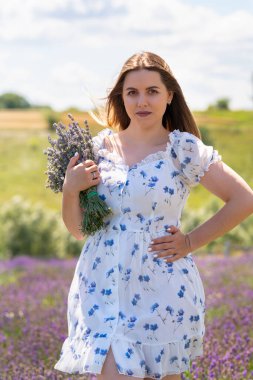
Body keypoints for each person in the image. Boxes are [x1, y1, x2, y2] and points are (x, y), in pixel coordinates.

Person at [54, 52, 253, 380]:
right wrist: (69, 189)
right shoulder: (98, 149)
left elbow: (243, 199)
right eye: (132, 92)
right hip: (101, 287)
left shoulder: (182, 150)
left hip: (162, 289)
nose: (141, 101)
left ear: (169, 95)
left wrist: (190, 242)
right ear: (122, 97)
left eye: (152, 91)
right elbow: (77, 230)